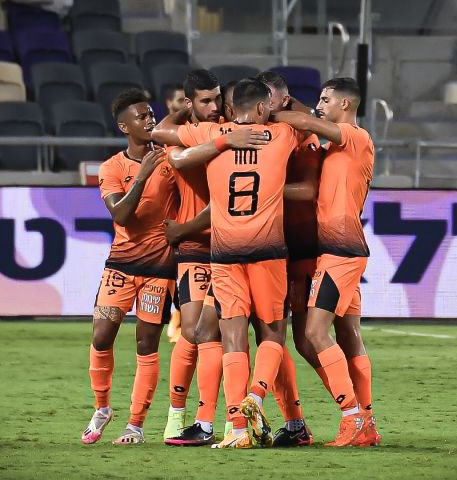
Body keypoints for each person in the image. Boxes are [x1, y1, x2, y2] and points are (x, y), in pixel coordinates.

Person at [152, 79, 299, 449]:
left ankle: (236, 429)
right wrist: (281, 108)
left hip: (223, 254)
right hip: (268, 253)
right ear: (264, 108)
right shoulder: (281, 135)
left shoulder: (212, 133)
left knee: (231, 338)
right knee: (272, 334)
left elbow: (160, 132)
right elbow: (310, 119)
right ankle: (257, 397)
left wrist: (199, 118)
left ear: (231, 107)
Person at [273, 77, 381, 447]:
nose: (319, 106)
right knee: (349, 337)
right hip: (343, 251)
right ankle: (367, 422)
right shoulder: (338, 145)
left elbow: (306, 121)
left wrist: (268, 111)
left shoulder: (355, 136)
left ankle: (352, 417)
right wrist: (290, 103)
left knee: (314, 334)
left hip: (340, 252)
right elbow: (310, 117)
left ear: (345, 104)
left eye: (325, 99)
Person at [161, 71, 264, 444]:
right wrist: (219, 139)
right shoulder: (199, 134)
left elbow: (226, 198)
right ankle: (178, 417)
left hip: (227, 247)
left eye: (217, 98)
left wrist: (185, 227)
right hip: (194, 249)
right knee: (192, 332)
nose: (215, 106)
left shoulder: (232, 130)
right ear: (190, 102)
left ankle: (220, 421)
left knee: (227, 332)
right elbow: (176, 157)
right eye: (205, 100)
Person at [81, 88, 178, 445]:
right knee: (101, 337)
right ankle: (102, 407)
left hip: (159, 268)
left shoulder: (171, 160)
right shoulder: (112, 167)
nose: (150, 120)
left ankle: (135, 425)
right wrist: (142, 176)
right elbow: (121, 215)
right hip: (120, 265)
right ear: (125, 126)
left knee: (146, 345)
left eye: (151, 114)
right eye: (142, 116)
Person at [255, 71, 321, 447]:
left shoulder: (304, 137)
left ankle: (358, 413)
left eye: (268, 101)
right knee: (273, 338)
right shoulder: (259, 136)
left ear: (282, 101)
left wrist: (262, 190)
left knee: (309, 340)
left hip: (303, 249)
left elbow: (308, 190)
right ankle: (295, 424)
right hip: (270, 250)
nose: (261, 108)